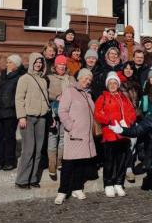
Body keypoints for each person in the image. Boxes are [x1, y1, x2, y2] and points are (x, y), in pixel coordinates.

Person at [54, 68, 98, 205]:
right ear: (79, 78)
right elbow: (62, 111)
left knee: (81, 163)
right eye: (85, 78)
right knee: (68, 163)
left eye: (90, 79)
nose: (87, 81)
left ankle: (77, 188)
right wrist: (70, 126)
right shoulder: (70, 91)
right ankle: (62, 191)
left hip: (86, 135)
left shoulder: (88, 94)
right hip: (74, 134)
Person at [95, 71, 137, 197]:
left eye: (115, 83)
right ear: (107, 85)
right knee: (109, 161)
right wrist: (110, 120)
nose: (113, 85)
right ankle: (108, 184)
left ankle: (118, 183)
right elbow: (97, 113)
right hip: (109, 133)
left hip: (123, 133)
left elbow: (131, 112)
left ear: (118, 85)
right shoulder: (103, 97)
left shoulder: (123, 97)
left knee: (121, 160)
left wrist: (127, 123)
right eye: (110, 83)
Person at [14, 53, 51, 189]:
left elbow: (45, 99)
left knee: (38, 150)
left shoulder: (43, 80)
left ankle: (33, 178)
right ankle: (22, 180)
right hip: (28, 118)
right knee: (28, 150)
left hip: (41, 118)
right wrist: (21, 116)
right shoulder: (24, 79)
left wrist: (48, 114)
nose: (38, 64)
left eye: (40, 62)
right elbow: (19, 98)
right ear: (31, 63)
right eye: (36, 62)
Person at [0, 54, 25, 171]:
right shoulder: (3, 76)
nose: (7, 64)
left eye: (10, 62)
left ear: (16, 65)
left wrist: (11, 105)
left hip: (10, 112)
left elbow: (19, 95)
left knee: (9, 138)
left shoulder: (20, 78)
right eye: (7, 62)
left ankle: (9, 161)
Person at [46, 55, 75, 181]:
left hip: (68, 112)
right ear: (55, 66)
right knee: (53, 136)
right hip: (54, 112)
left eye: (64, 64)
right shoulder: (50, 78)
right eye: (59, 64)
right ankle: (51, 164)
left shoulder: (71, 78)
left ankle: (60, 161)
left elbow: (75, 92)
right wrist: (57, 96)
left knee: (63, 137)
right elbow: (46, 93)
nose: (62, 66)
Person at [118, 61, 142, 183]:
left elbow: (139, 101)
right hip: (121, 118)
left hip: (134, 117)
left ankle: (129, 168)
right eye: (126, 68)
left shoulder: (136, 84)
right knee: (123, 144)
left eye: (131, 69)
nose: (128, 70)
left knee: (133, 144)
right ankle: (120, 169)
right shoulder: (118, 83)